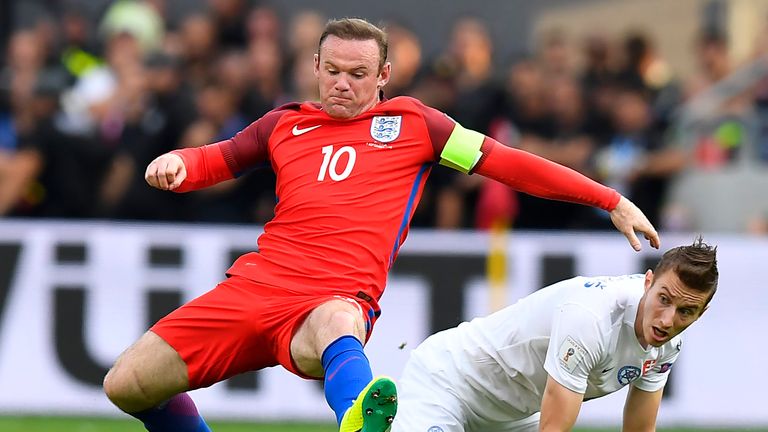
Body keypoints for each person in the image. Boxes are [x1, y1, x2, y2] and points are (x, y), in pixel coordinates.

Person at [102, 18, 660, 432]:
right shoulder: (283, 125)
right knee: (126, 385)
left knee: (336, 325)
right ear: (316, 67)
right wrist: (179, 162)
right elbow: (218, 158)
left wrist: (608, 198)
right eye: (334, 71)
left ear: (384, 75)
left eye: (359, 74)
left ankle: (363, 421)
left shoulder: (417, 124)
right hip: (254, 285)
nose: (343, 84)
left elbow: (506, 161)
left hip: (334, 295)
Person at [391, 237, 717, 432]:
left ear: (700, 314)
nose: (667, 320)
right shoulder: (591, 318)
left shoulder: (671, 339)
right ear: (648, 282)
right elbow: (554, 427)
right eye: (664, 299)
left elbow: (640, 428)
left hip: (512, 417)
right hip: (450, 381)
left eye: (686, 312)